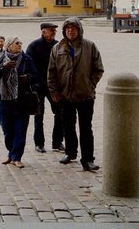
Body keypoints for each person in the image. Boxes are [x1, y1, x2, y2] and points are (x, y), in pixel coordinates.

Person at [47, 16, 104, 171]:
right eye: (67, 28)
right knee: (68, 127)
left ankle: (88, 159)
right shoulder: (58, 48)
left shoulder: (89, 46)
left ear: (79, 30)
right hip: (65, 95)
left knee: (86, 128)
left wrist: (90, 85)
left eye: (73, 28)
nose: (70, 31)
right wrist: (54, 92)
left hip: (85, 95)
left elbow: (98, 69)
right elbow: (51, 73)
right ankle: (70, 152)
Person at [0, 36, 38, 168]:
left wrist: (28, 77)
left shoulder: (26, 59)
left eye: (21, 43)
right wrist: (3, 67)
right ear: (9, 46)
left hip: (22, 101)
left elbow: (37, 77)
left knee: (20, 130)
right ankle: (11, 153)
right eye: (17, 43)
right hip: (4, 102)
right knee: (8, 131)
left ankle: (16, 157)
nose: (20, 45)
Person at [25, 21, 62, 154]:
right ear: (43, 32)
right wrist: (35, 80)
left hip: (53, 86)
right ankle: (39, 143)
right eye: (51, 30)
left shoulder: (58, 45)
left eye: (54, 30)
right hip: (38, 85)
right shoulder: (33, 46)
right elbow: (28, 65)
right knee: (38, 115)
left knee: (59, 113)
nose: (53, 32)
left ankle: (57, 142)